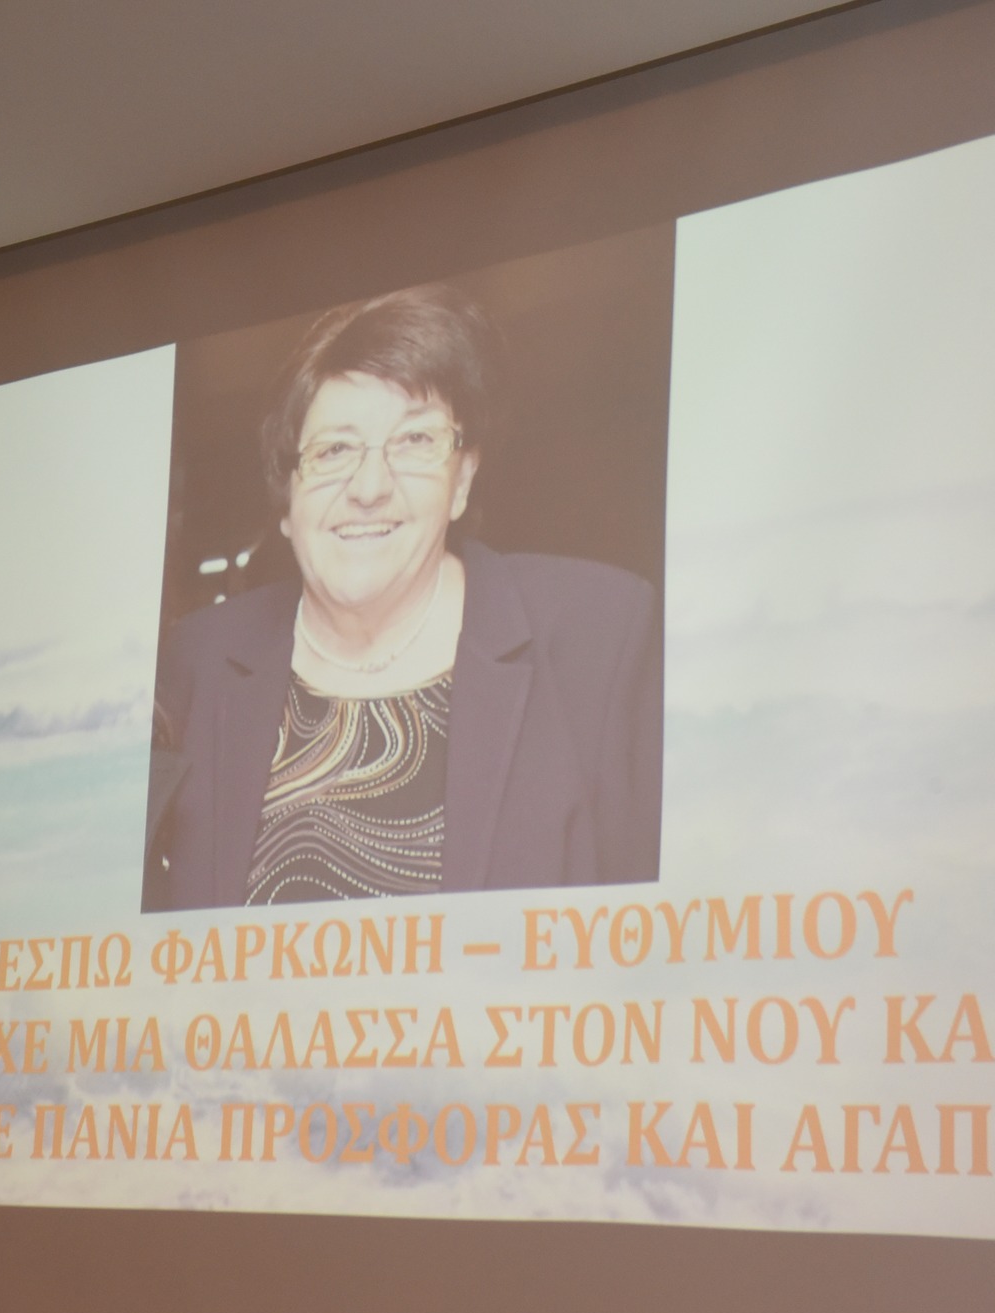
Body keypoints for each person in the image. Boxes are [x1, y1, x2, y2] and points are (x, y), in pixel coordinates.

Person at [142, 283, 661, 911]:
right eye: (334, 449)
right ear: (285, 499)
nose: (369, 487)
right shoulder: (192, 664)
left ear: (462, 479)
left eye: (415, 441)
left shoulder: (598, 637)